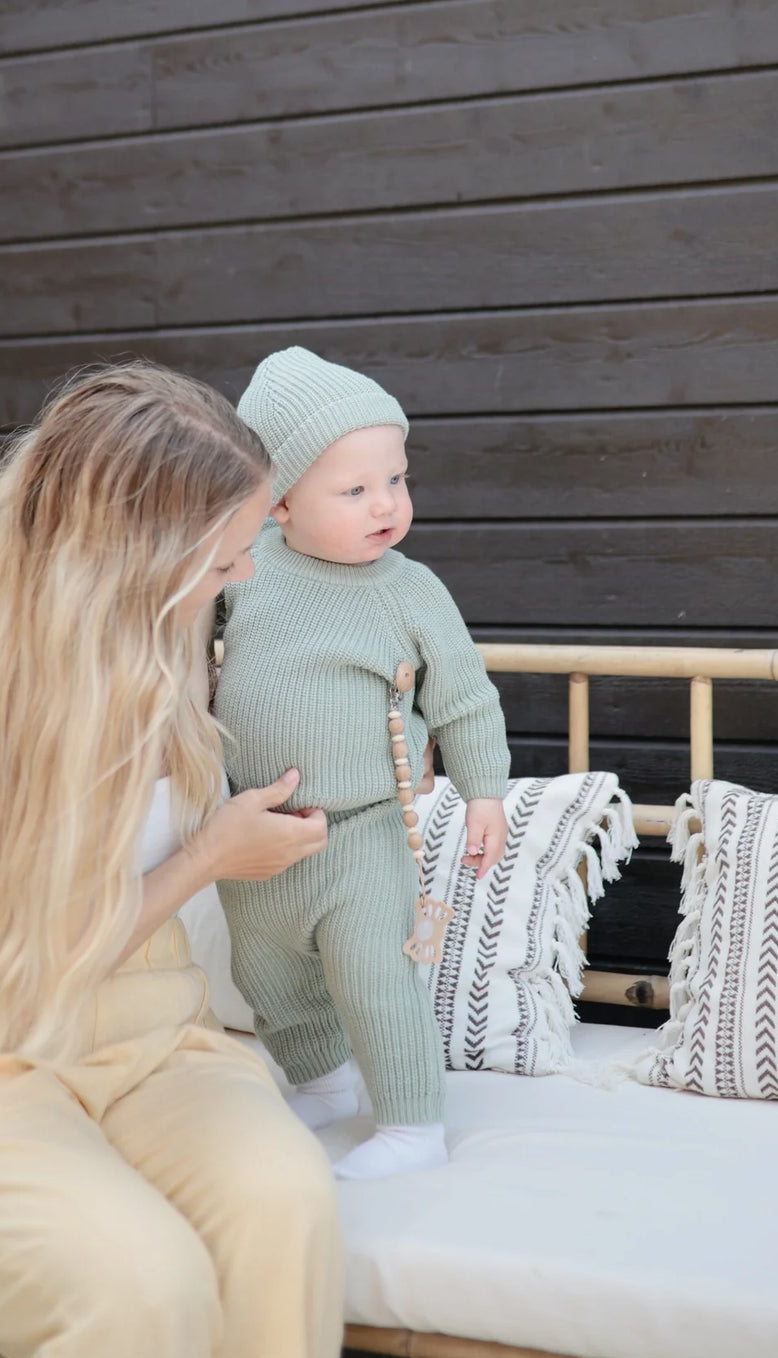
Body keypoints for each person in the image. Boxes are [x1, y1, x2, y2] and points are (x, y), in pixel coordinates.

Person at [0, 362, 344, 1358]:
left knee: (286, 1207)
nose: (245, 571)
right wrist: (205, 857)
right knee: (143, 1293)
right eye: (223, 551)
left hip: (154, 1040)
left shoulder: (168, 638)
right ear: (131, 549)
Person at [215, 347, 511, 1182]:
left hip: (361, 832)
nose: (386, 503)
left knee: (374, 976)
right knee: (266, 970)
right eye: (354, 490)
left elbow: (464, 697)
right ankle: (322, 1081)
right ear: (277, 503)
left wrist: (484, 792)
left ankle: (413, 1123)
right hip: (255, 833)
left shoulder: (407, 590)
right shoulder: (245, 569)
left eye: (396, 479)